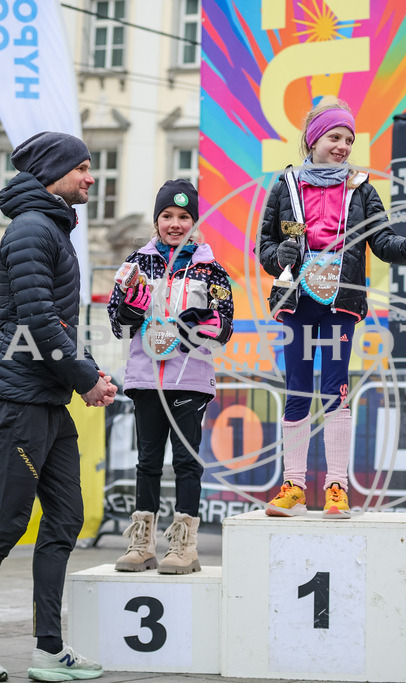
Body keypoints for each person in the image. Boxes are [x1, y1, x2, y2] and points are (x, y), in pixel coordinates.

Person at [0, 131, 115, 683]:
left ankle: (48, 648)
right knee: (8, 521)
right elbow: (38, 324)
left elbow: (59, 322)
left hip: (46, 401)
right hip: (18, 401)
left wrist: (87, 371)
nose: (91, 177)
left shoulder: (52, 226)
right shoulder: (32, 229)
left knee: (64, 518)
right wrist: (86, 378)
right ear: (55, 172)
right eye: (83, 168)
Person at [258, 98, 406, 518]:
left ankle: (337, 486)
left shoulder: (361, 188)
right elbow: (263, 250)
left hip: (340, 303)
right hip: (297, 302)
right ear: (313, 139)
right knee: (297, 386)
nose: (343, 146)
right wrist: (281, 252)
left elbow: (383, 242)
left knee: (335, 388)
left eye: (348, 139)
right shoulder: (286, 185)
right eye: (334, 137)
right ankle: (293, 486)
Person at [107, 179, 234, 574]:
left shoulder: (211, 269)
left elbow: (225, 329)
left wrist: (204, 325)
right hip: (146, 377)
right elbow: (117, 324)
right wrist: (129, 310)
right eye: (167, 216)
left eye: (183, 217)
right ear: (157, 219)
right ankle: (142, 544)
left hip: (189, 379)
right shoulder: (135, 264)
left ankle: (184, 547)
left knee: (185, 461)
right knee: (146, 461)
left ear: (195, 221)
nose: (175, 224)